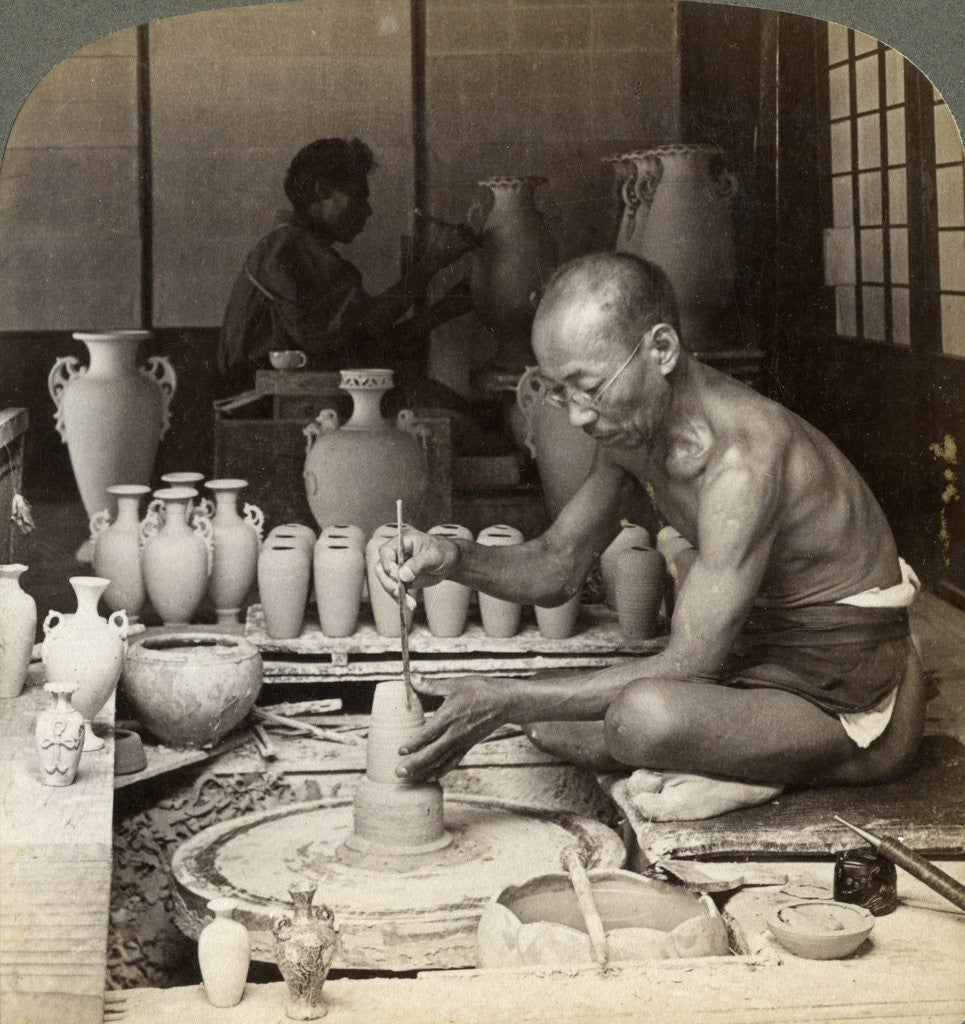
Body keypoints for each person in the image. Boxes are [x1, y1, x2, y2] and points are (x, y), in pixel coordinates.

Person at [376, 251, 925, 822]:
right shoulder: (631, 436)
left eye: (588, 387)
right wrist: (452, 557)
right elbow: (556, 565)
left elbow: (690, 662)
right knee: (550, 724)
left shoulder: (743, 460)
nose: (577, 417)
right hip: (760, 657)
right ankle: (743, 758)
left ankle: (804, 770)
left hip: (847, 683)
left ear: (660, 350)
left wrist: (507, 696)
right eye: (559, 392)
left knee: (637, 718)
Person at [218, 136, 477, 395]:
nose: (368, 211)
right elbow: (369, 326)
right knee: (452, 414)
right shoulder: (289, 246)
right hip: (268, 404)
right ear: (321, 191)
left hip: (294, 394)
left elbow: (358, 340)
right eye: (358, 196)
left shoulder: (291, 244)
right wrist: (432, 263)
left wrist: (444, 310)